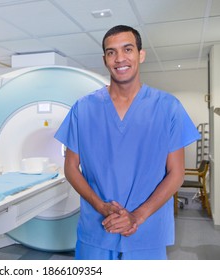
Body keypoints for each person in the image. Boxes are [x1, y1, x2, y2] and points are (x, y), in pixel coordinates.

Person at [54, 25, 200, 260]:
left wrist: (138, 216)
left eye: (127, 49)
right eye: (111, 52)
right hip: (97, 230)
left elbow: (176, 173)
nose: (119, 58)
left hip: (146, 231)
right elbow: (71, 167)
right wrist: (101, 207)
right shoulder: (83, 108)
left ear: (141, 55)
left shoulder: (168, 107)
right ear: (105, 60)